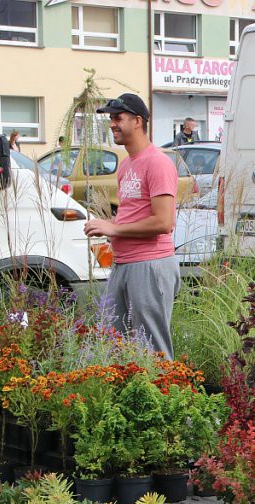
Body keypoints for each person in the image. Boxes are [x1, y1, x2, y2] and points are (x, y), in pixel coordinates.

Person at [85, 93, 180, 358]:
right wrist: (110, 226)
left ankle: (166, 398)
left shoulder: (158, 163)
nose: (112, 124)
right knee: (113, 344)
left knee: (153, 350)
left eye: (118, 118)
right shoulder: (127, 164)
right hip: (124, 264)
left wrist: (114, 229)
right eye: (111, 119)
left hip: (150, 265)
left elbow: (164, 221)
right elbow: (134, 214)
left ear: (137, 121)